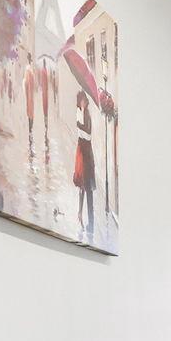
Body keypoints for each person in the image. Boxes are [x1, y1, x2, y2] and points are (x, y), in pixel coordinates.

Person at [73, 87, 97, 239]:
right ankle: (80, 214)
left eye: (84, 100)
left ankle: (91, 223)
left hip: (87, 153)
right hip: (81, 152)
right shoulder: (79, 112)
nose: (83, 103)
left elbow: (88, 135)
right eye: (81, 100)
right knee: (81, 185)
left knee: (88, 188)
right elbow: (81, 134)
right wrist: (79, 125)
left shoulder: (87, 114)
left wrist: (79, 125)